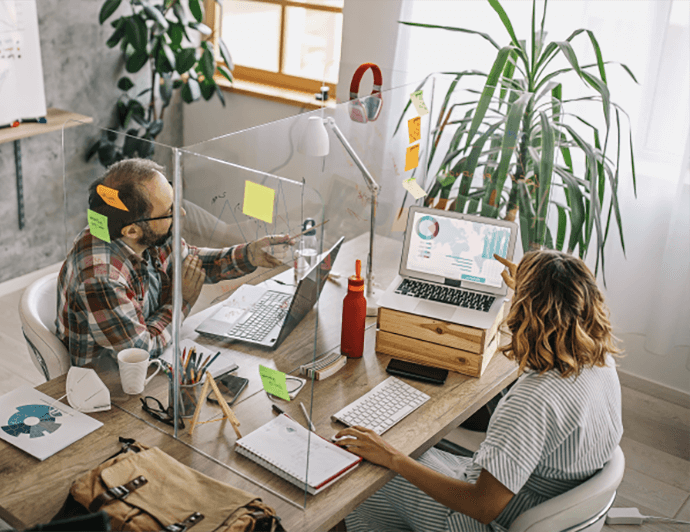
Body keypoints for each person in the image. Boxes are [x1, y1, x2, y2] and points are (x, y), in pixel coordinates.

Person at [337, 249, 623, 532]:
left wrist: (392, 458)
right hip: (536, 497)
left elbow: (483, 507)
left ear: (526, 313)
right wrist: (527, 286)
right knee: (405, 449)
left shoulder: (533, 402)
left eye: (517, 301)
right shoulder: (599, 361)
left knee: (367, 471)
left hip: (483, 518)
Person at [56, 158, 289, 366]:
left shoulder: (142, 232)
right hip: (108, 379)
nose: (182, 213)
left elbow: (191, 263)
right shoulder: (101, 277)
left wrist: (250, 254)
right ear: (133, 231)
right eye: (170, 211)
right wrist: (181, 300)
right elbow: (141, 352)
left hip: (152, 356)